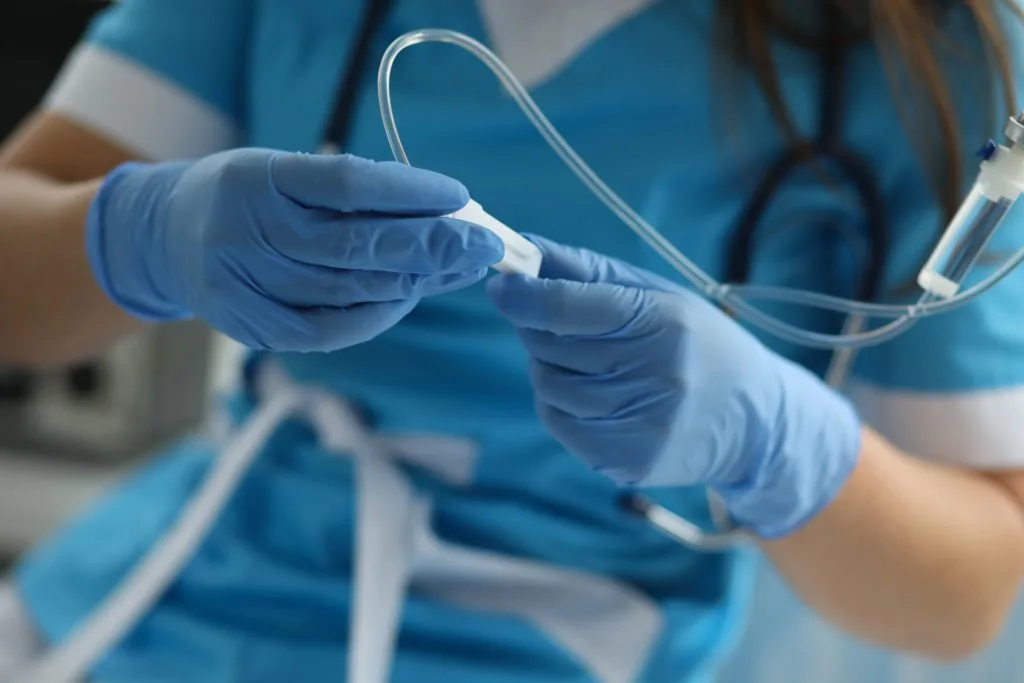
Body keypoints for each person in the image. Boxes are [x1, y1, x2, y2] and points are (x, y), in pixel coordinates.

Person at [1, 0, 1024, 681]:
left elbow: (968, 587)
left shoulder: (939, 69)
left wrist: (782, 443)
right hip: (165, 591)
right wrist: (135, 233)